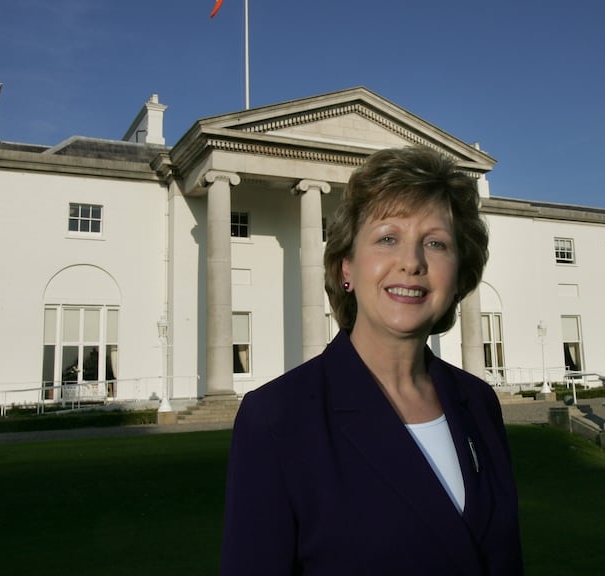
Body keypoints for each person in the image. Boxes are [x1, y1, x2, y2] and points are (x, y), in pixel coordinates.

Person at [220, 146, 523, 575]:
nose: (412, 262)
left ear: (458, 275)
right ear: (347, 266)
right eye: (387, 238)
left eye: (435, 243)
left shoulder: (479, 402)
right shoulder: (275, 418)